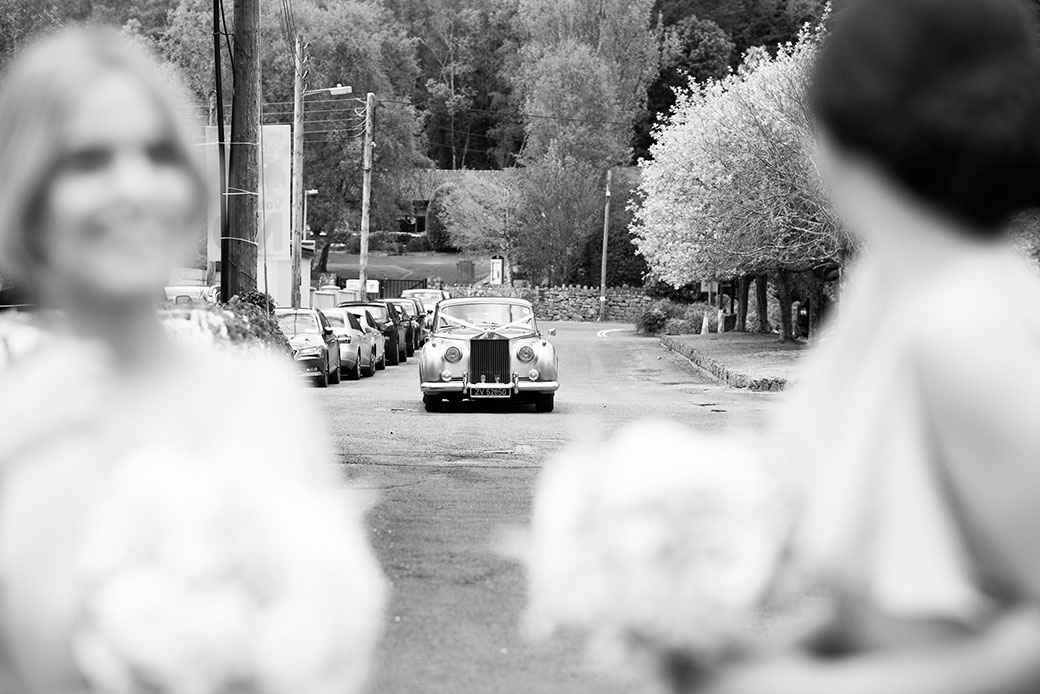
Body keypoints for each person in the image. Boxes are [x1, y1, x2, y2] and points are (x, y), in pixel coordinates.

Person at [0, 28, 385, 694]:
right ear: (30, 201)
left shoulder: (264, 390)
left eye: (157, 153)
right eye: (89, 160)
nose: (133, 186)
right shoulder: (15, 416)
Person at [698, 0, 1040, 692]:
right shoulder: (886, 289)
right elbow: (900, 588)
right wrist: (750, 654)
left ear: (844, 133)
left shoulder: (964, 328)